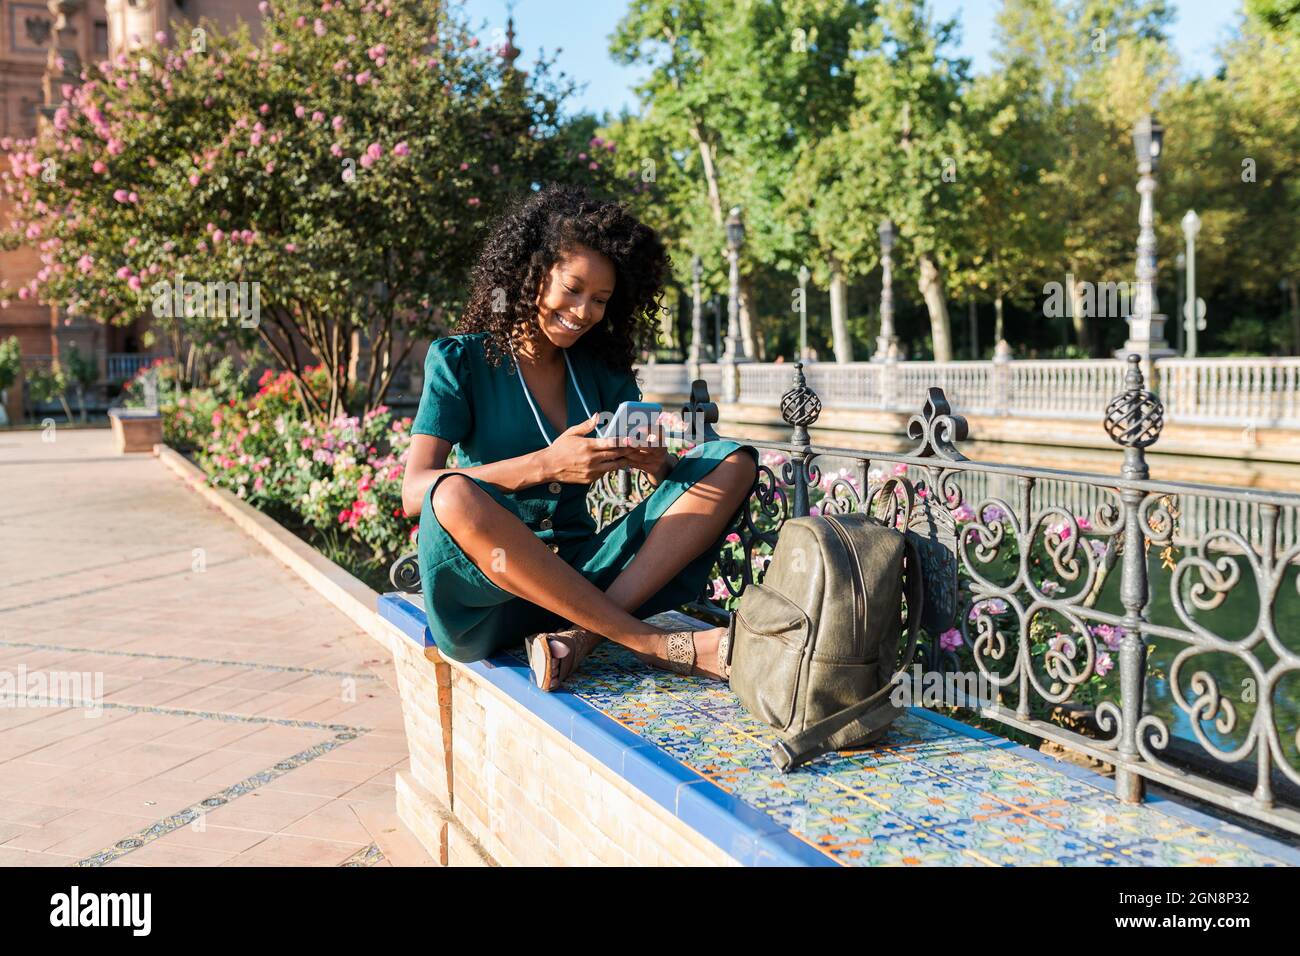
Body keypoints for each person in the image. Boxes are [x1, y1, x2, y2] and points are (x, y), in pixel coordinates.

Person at [400, 184, 758, 692]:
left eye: (600, 300)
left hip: (585, 575)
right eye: (572, 288)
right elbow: (415, 492)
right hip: (486, 597)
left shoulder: (601, 371)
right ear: (533, 272)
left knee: (731, 460)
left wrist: (654, 464)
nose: (584, 311)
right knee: (451, 492)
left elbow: (670, 481)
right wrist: (545, 465)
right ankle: (651, 644)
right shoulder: (460, 360)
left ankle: (581, 638)